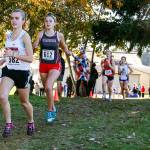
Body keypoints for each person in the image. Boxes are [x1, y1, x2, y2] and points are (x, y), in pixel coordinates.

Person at [0, 9, 35, 138]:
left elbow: (30, 58)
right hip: (9, 70)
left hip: (22, 72)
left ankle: (31, 121)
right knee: (2, 96)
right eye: (12, 18)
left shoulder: (25, 36)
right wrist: (4, 60)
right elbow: (9, 54)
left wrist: (14, 54)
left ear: (23, 21)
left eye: (17, 18)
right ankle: (8, 124)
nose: (13, 20)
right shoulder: (8, 35)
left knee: (24, 102)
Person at [33, 12, 72, 123]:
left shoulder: (59, 35)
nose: (48, 23)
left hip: (55, 65)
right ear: (44, 23)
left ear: (55, 23)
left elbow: (64, 47)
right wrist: (34, 45)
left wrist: (68, 52)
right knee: (47, 89)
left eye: (50, 21)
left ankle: (50, 111)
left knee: (49, 87)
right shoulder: (40, 34)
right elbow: (34, 46)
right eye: (46, 21)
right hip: (43, 65)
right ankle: (53, 106)